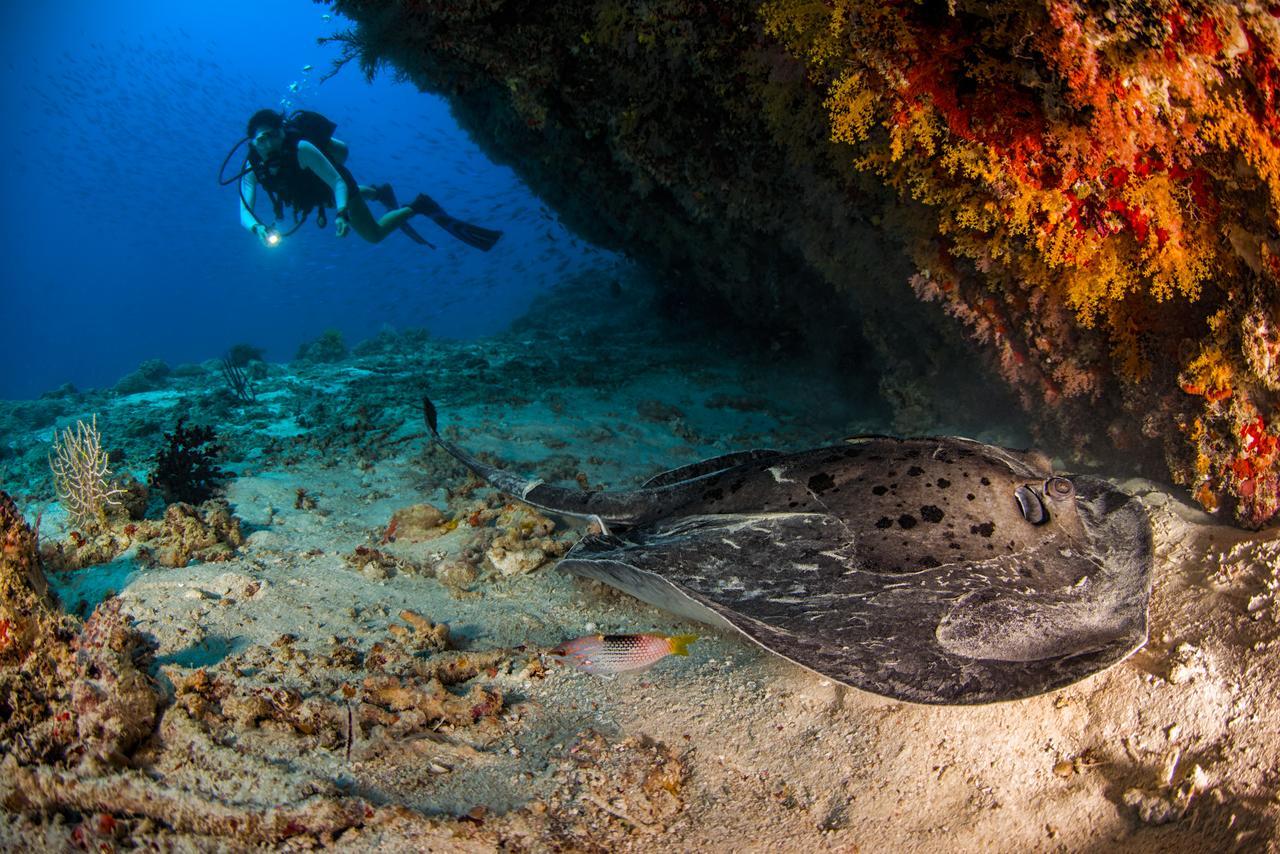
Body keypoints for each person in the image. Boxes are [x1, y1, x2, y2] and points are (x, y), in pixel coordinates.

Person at [238, 108, 502, 251]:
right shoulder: (252, 165)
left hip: (336, 185)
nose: (268, 144)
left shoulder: (302, 149)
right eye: (261, 140)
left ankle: (419, 205)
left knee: (373, 235)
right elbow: (244, 210)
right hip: (315, 194)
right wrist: (258, 228)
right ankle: (378, 193)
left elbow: (338, 183)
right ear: (253, 143)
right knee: (331, 200)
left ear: (283, 133)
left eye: (273, 135)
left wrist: (342, 212)